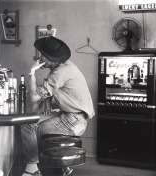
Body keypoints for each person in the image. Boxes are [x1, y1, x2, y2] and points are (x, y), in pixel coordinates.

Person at [21, 36, 95, 176]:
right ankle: (49, 165)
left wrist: (32, 73)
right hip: (71, 116)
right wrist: (48, 102)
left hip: (74, 120)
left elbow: (34, 97)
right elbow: (53, 89)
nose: (40, 58)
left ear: (51, 58)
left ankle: (32, 169)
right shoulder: (66, 66)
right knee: (30, 123)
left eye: (42, 55)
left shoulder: (60, 73)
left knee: (32, 126)